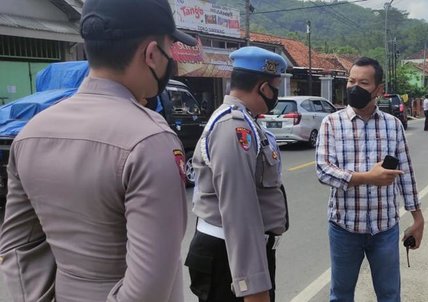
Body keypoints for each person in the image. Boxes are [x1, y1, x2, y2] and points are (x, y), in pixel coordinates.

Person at [0, 0, 196, 301]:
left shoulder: (30, 134)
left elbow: (17, 248)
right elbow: (149, 289)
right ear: (153, 54)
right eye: (170, 49)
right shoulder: (150, 140)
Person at [185, 46, 289, 302]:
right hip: (227, 258)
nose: (276, 93)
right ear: (263, 87)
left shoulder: (247, 122)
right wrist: (252, 284)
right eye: (275, 86)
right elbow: (239, 209)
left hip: (234, 254)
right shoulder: (233, 128)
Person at [316, 57, 424, 302]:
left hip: (384, 228)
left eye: (363, 82)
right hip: (344, 227)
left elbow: (406, 173)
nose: (355, 87)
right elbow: (323, 170)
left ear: (379, 90)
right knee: (341, 295)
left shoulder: (393, 126)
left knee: (389, 295)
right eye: (351, 81)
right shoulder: (331, 123)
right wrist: (367, 177)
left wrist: (418, 218)